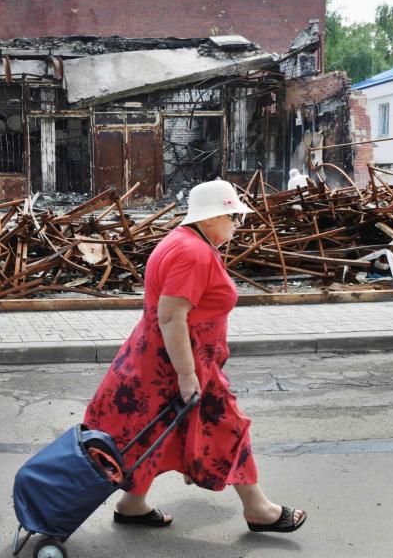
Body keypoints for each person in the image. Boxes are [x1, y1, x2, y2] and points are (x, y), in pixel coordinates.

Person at [84, 179, 307, 534]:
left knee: (151, 432)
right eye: (232, 216)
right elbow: (172, 316)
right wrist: (188, 376)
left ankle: (132, 504)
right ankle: (259, 509)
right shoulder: (194, 253)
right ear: (208, 220)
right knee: (229, 427)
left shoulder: (182, 241)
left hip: (155, 360)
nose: (237, 223)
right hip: (181, 364)